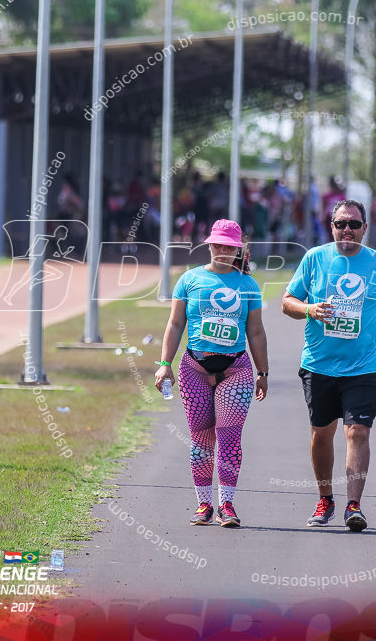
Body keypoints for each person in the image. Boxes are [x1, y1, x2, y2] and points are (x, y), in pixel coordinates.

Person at [282, 200, 376, 532]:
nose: (347, 230)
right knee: (321, 434)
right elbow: (287, 302)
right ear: (332, 226)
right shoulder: (315, 258)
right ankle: (325, 498)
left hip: (364, 367)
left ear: (365, 229)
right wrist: (310, 309)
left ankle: (353, 505)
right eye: (341, 223)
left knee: (358, 432)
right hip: (319, 364)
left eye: (354, 224)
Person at [155, 219, 269, 528]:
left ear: (238, 250)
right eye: (216, 244)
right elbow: (175, 324)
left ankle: (227, 504)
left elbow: (255, 332)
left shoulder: (248, 286)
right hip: (194, 368)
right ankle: (204, 504)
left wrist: (263, 371)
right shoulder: (189, 280)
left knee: (229, 437)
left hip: (236, 370)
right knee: (201, 440)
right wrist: (165, 363)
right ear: (209, 246)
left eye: (228, 246)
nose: (221, 250)